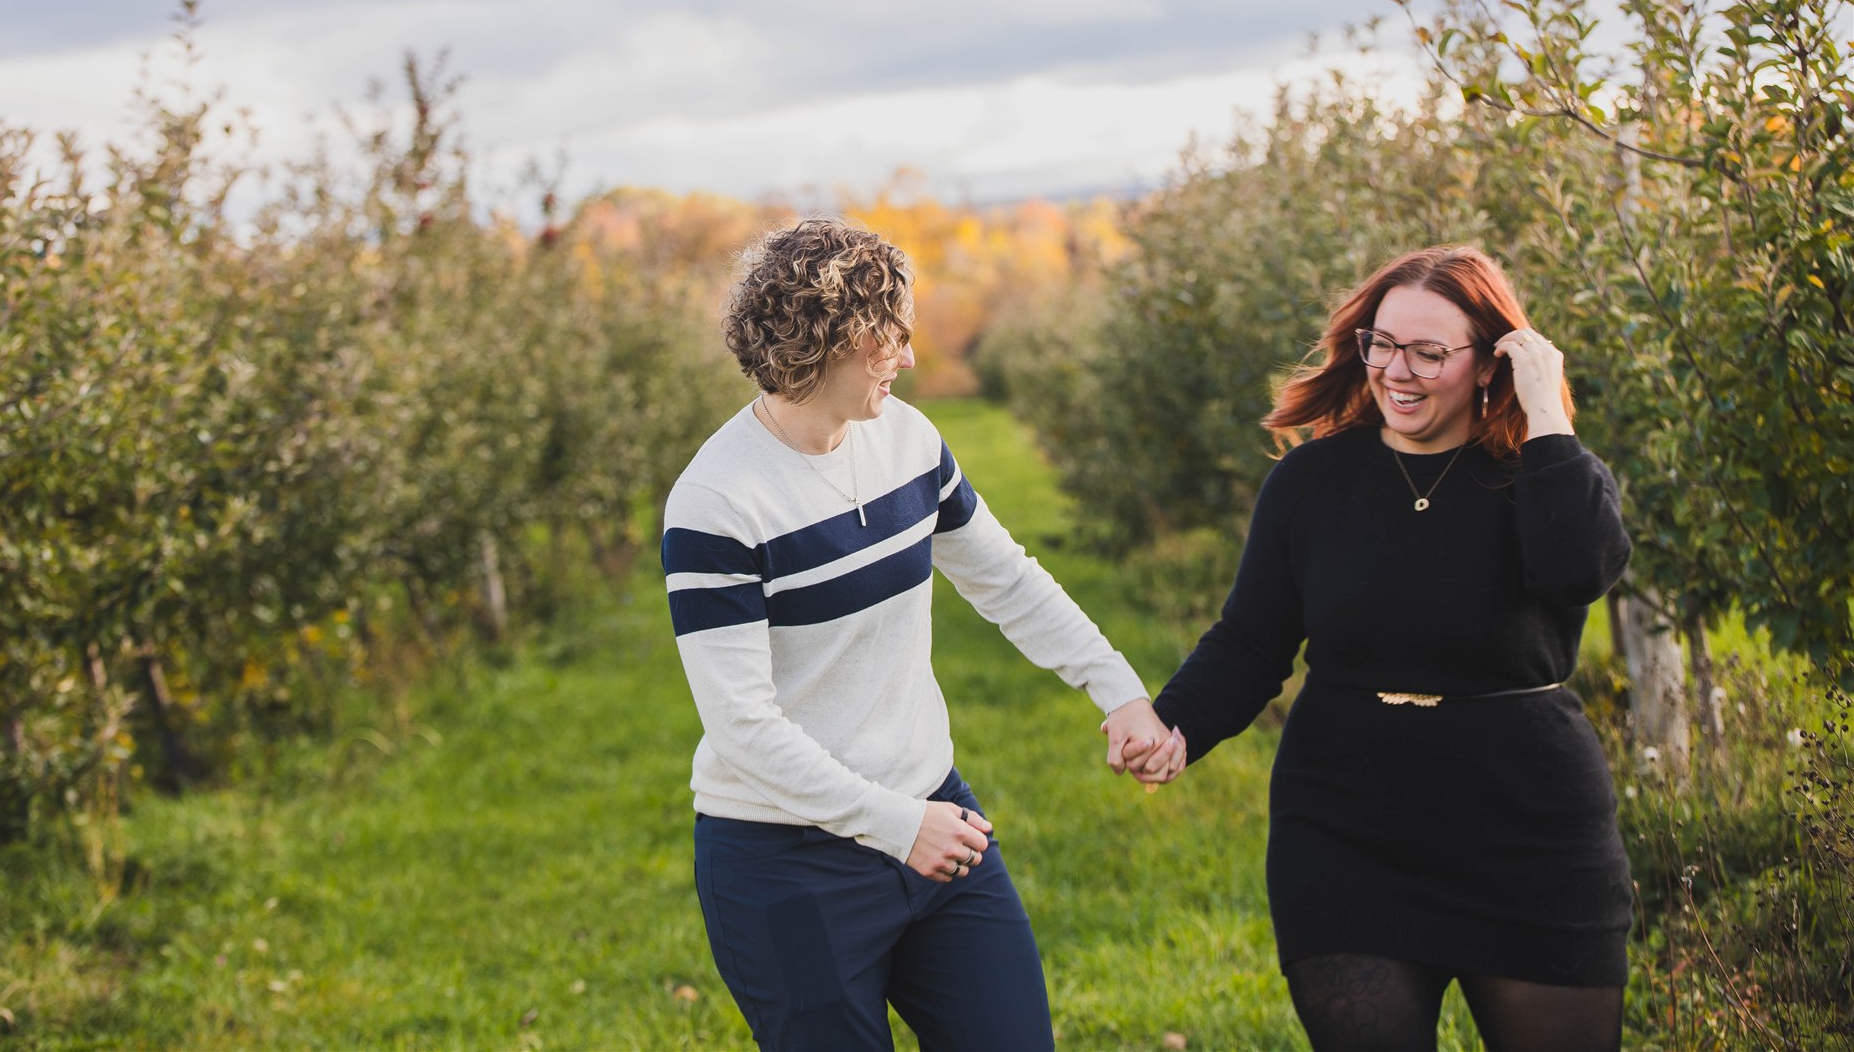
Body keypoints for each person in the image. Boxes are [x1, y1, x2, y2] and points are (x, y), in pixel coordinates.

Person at [662, 217, 1179, 1051]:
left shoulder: (909, 441)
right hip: (786, 864)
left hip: (939, 821)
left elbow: (1005, 577)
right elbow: (742, 726)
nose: (906, 356)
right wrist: (897, 824)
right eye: (889, 337)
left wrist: (1115, 686)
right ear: (829, 341)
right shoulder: (718, 503)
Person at [1127, 245, 1634, 1051]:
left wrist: (1548, 414)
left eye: (1429, 351)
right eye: (1383, 343)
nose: (1397, 370)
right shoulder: (1312, 482)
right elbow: (1253, 640)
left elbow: (1579, 570)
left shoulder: (1543, 473)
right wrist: (1175, 726)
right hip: (1347, 828)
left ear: (1490, 363)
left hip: (1530, 828)